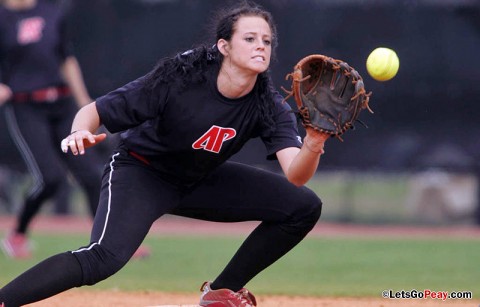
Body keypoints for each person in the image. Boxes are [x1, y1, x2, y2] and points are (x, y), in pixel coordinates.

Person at [0, 1, 328, 306]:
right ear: (224, 46)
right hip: (142, 173)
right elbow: (94, 111)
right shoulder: (182, 77)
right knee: (103, 257)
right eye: (250, 38)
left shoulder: (268, 105)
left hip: (198, 180)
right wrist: (79, 131)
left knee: (303, 206)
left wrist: (313, 141)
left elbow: (295, 174)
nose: (261, 46)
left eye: (267, 41)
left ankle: (219, 293)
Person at [0, 0, 150, 260]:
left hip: (61, 104)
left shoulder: (51, 13)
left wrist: (85, 104)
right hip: (26, 107)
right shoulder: (3, 18)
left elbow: (66, 59)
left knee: (93, 176)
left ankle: (112, 242)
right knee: (50, 179)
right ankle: (17, 235)